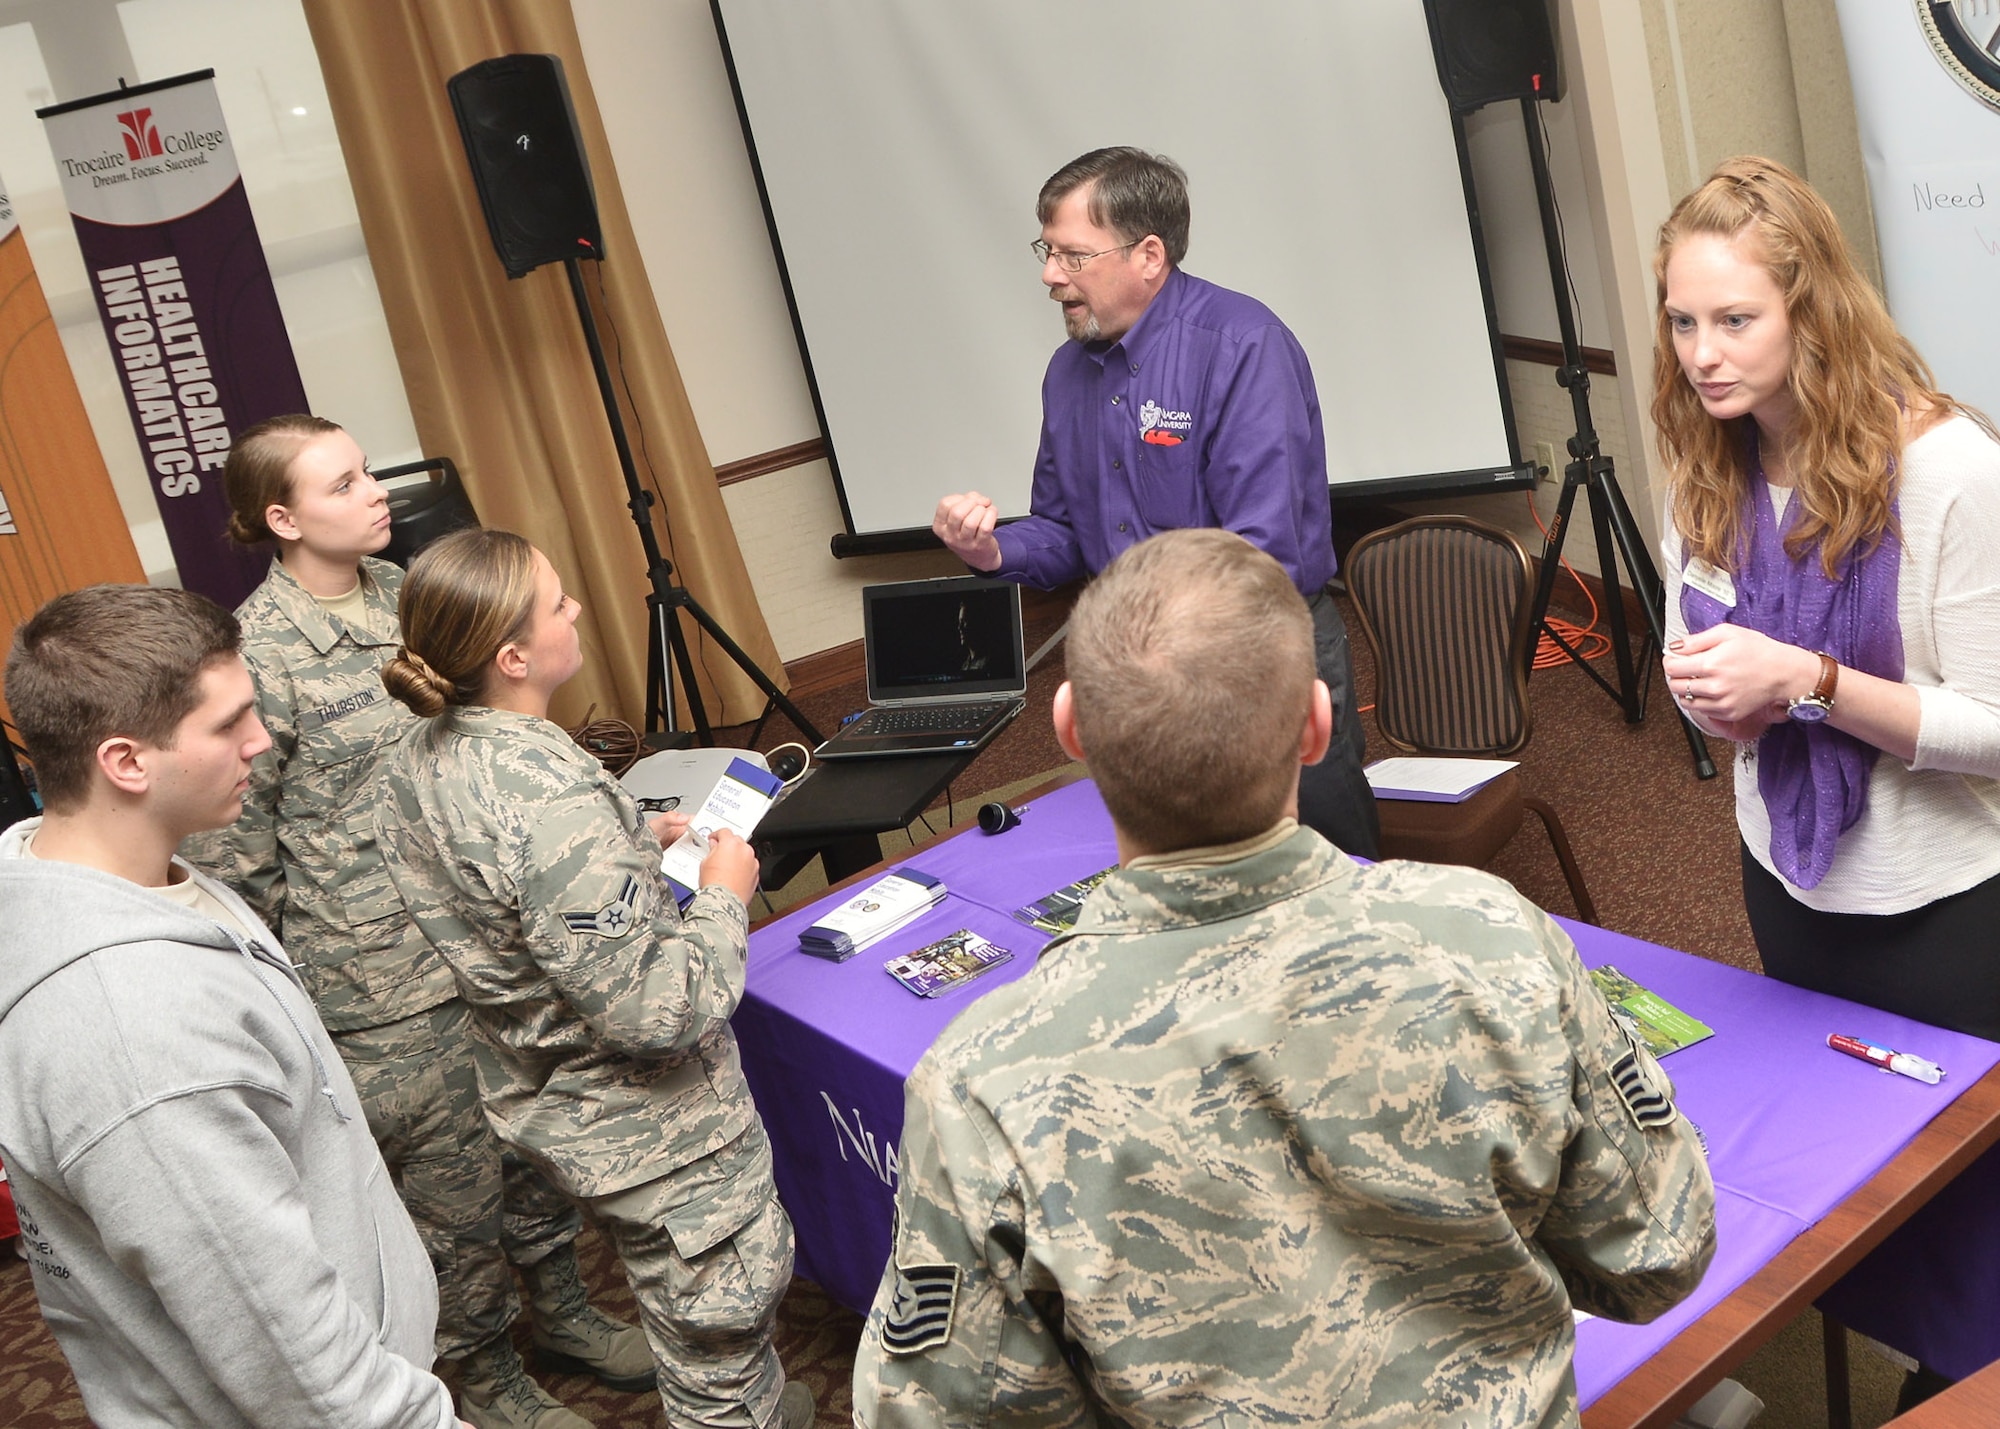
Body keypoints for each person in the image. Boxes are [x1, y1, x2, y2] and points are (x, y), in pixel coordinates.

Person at [852, 528, 1717, 1427]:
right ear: (1318, 722)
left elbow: (938, 1412)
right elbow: (1660, 1250)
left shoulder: (981, 1081)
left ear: (1070, 729)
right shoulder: (1490, 936)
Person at [185, 415, 650, 1429]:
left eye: (366, 471)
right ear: (282, 518)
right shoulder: (257, 654)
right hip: (381, 983)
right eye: (342, 482)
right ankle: (478, 1366)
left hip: (481, 933)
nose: (374, 491)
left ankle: (566, 1311)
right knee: (452, 1195)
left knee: (531, 1149)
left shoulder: (411, 598)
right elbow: (237, 853)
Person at [1653, 154, 2000, 1403]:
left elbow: (1997, 730)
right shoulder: (1709, 454)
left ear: (1813, 310)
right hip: (1790, 885)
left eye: (1734, 319)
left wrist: (1803, 683)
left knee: (1968, 1216)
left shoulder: (1946, 469)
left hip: (1943, 908)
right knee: (1852, 1172)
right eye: (1682, 320)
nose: (1701, 353)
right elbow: (1686, 628)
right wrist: (1708, 684)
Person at [371, 528, 814, 1429]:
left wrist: (625, 852)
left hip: (549, 1101)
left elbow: (501, 899)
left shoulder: (416, 761)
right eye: (560, 602)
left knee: (683, 1303)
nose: (576, 610)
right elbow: (660, 1011)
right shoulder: (548, 793)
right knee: (716, 1324)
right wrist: (726, 895)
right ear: (514, 654)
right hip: (655, 1128)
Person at [0, 585, 465, 1429]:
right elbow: (272, 1334)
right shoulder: (128, 1029)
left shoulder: (153, 878)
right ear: (126, 761)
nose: (261, 741)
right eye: (229, 724)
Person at [932, 146, 1379, 858]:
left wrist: (1162, 652)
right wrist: (988, 549)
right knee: (1175, 855)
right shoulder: (1067, 372)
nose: (1050, 275)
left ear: (1148, 254)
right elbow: (1064, 530)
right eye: (1047, 251)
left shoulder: (1242, 344)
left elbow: (1268, 552)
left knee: (1317, 846)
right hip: (1136, 665)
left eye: (1072, 256)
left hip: (1257, 650)